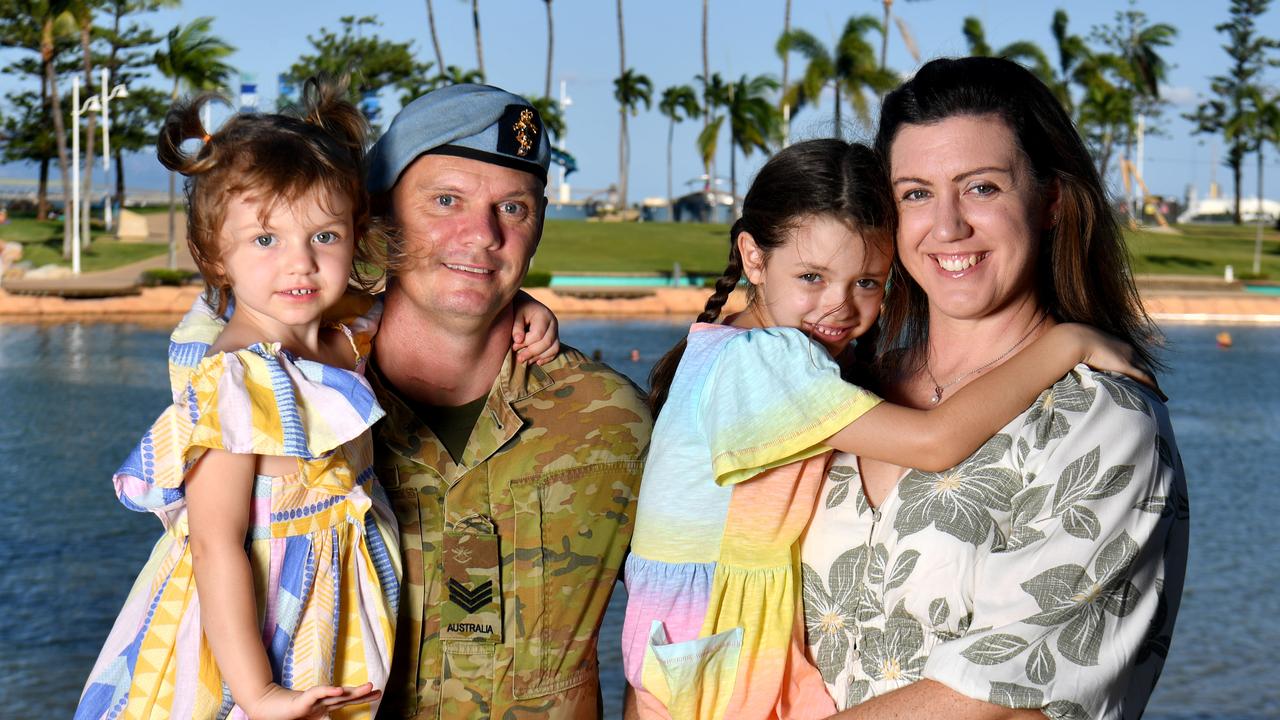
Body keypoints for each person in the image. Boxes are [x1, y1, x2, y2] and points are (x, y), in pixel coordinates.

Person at [622, 139, 1155, 720]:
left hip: (697, 637)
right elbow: (934, 442)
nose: (839, 306)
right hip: (724, 640)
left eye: (868, 283)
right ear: (753, 258)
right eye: (811, 276)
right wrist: (1064, 343)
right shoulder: (765, 362)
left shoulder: (720, 346)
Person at [800, 57, 1189, 719]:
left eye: (981, 188)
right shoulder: (835, 390)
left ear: (1052, 201)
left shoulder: (1103, 422)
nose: (947, 227)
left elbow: (994, 703)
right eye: (916, 193)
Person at [74, 79, 400, 719]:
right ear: (215, 255)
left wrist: (519, 313)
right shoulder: (235, 382)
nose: (299, 264)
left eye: (324, 237)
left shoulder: (349, 334)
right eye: (265, 240)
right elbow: (215, 544)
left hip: (338, 610)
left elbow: (429, 318)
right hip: (256, 630)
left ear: (354, 234)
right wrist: (259, 693)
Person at [359, 84, 652, 718]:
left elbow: (692, 625)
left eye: (512, 209)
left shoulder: (613, 424)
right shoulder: (303, 415)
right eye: (446, 200)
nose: (483, 234)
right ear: (380, 216)